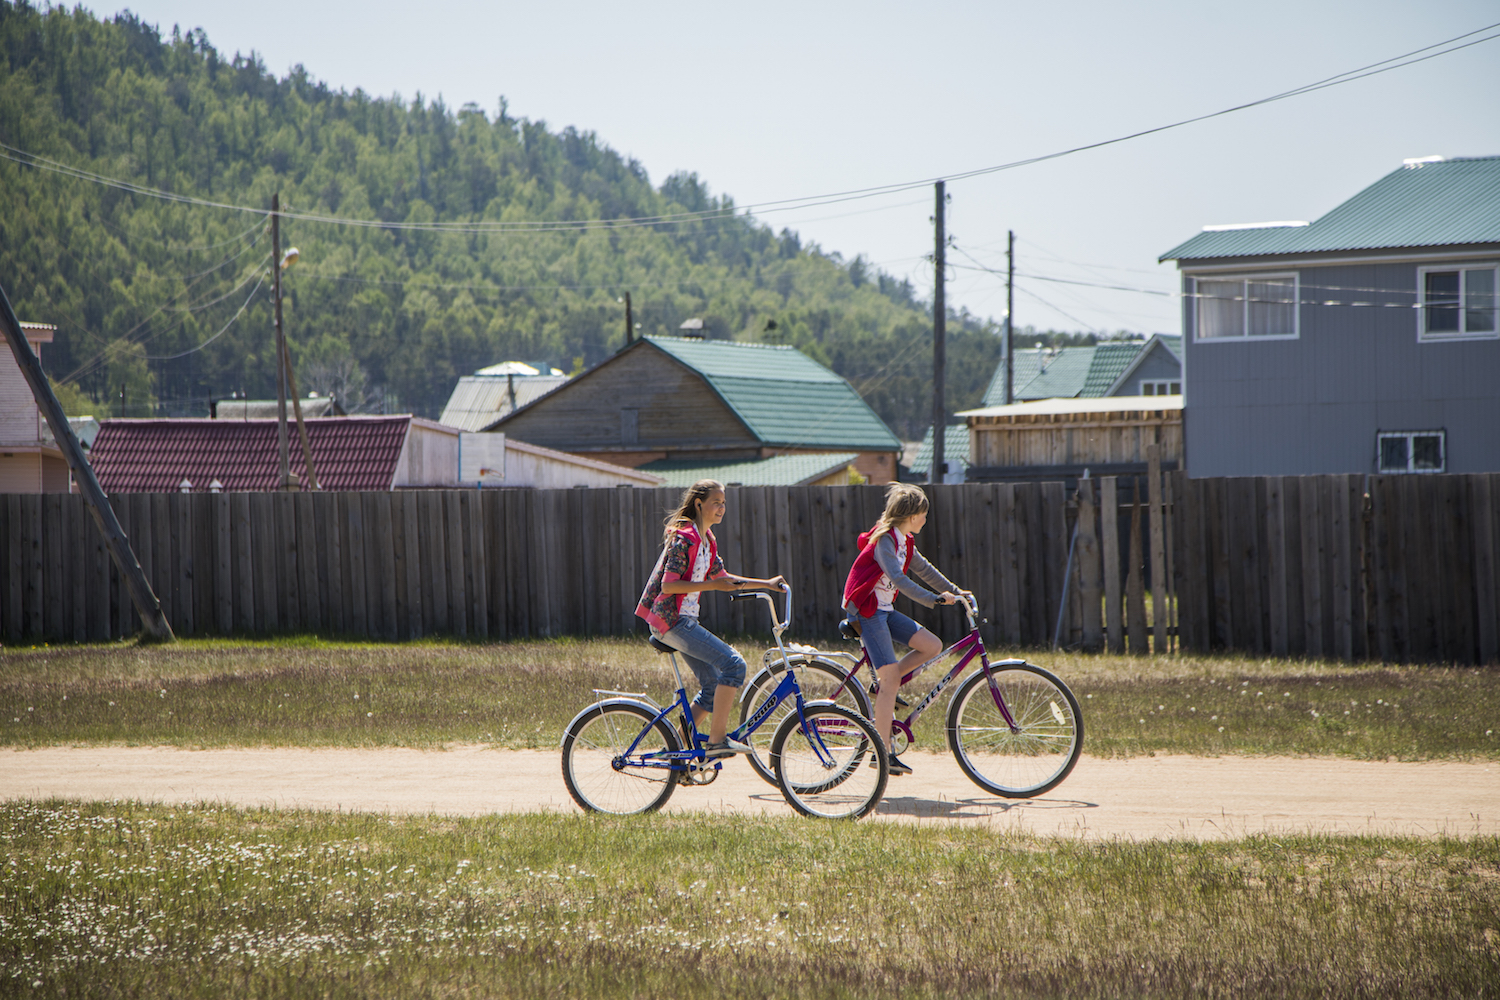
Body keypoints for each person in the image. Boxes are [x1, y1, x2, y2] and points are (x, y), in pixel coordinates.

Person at [636, 480, 787, 759]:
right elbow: (669, 586)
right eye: (716, 502)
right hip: (670, 621)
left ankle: (675, 748)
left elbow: (724, 579)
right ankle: (717, 740)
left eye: (724, 503)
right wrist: (713, 586)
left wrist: (766, 584)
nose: (721, 508)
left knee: (711, 686)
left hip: (684, 621)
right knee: (734, 664)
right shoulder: (686, 538)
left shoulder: (707, 541)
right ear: (699, 504)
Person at [841, 483, 962, 775]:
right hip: (868, 611)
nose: (925, 519)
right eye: (923, 514)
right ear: (911, 515)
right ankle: (882, 754)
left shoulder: (905, 540)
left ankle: (884, 685)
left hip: (884, 610)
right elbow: (899, 579)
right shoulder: (885, 540)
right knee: (892, 678)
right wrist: (934, 599)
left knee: (932, 645)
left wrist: (957, 591)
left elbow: (924, 569)